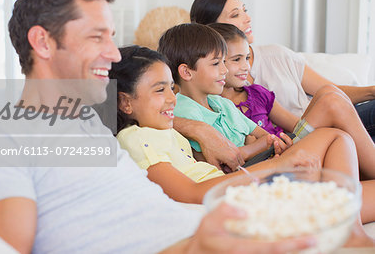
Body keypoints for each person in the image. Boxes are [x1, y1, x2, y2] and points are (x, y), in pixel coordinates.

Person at [0, 0, 318, 254]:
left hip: (199, 234)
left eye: (112, 37)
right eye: (97, 37)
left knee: (335, 216)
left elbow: (150, 121)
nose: (114, 54)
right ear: (42, 42)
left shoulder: (88, 123)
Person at [157, 23, 375, 245]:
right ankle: (352, 231)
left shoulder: (221, 103)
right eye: (217, 63)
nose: (224, 70)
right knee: (334, 135)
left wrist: (265, 143)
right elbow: (225, 161)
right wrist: (262, 145)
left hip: (268, 158)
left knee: (339, 134)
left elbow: (261, 135)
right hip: (251, 174)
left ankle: (345, 225)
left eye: (225, 62)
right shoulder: (184, 109)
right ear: (186, 72)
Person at [112, 45, 321, 204]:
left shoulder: (164, 131)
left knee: (332, 140)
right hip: (225, 198)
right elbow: (190, 192)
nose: (172, 99)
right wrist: (272, 166)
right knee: (329, 138)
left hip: (232, 186)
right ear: (125, 103)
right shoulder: (136, 138)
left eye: (171, 88)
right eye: (160, 90)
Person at [189, 0, 375, 139]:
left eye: (245, 10)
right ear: (212, 30)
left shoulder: (274, 57)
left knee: (330, 96)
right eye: (236, 15)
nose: (248, 18)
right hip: (299, 140)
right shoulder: (212, 92)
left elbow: (330, 89)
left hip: (326, 125)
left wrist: (371, 91)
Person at [209, 22, 375, 180]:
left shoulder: (257, 93)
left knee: (327, 92)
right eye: (237, 59)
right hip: (270, 161)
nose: (246, 66)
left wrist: (290, 140)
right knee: (331, 102)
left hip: (287, 146)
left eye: (247, 58)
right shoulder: (214, 106)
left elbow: (296, 126)